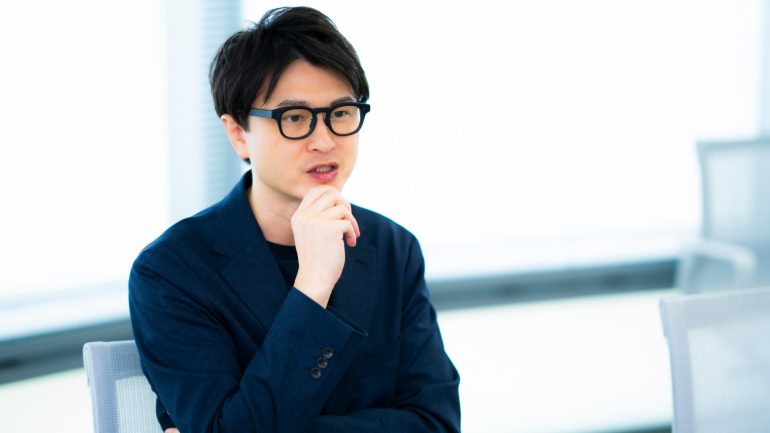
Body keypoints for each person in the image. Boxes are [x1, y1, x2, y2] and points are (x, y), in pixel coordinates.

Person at [129, 6, 460, 433]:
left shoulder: (393, 248)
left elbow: (437, 422)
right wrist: (313, 284)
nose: (324, 141)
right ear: (238, 133)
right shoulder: (173, 271)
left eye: (341, 113)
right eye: (295, 119)